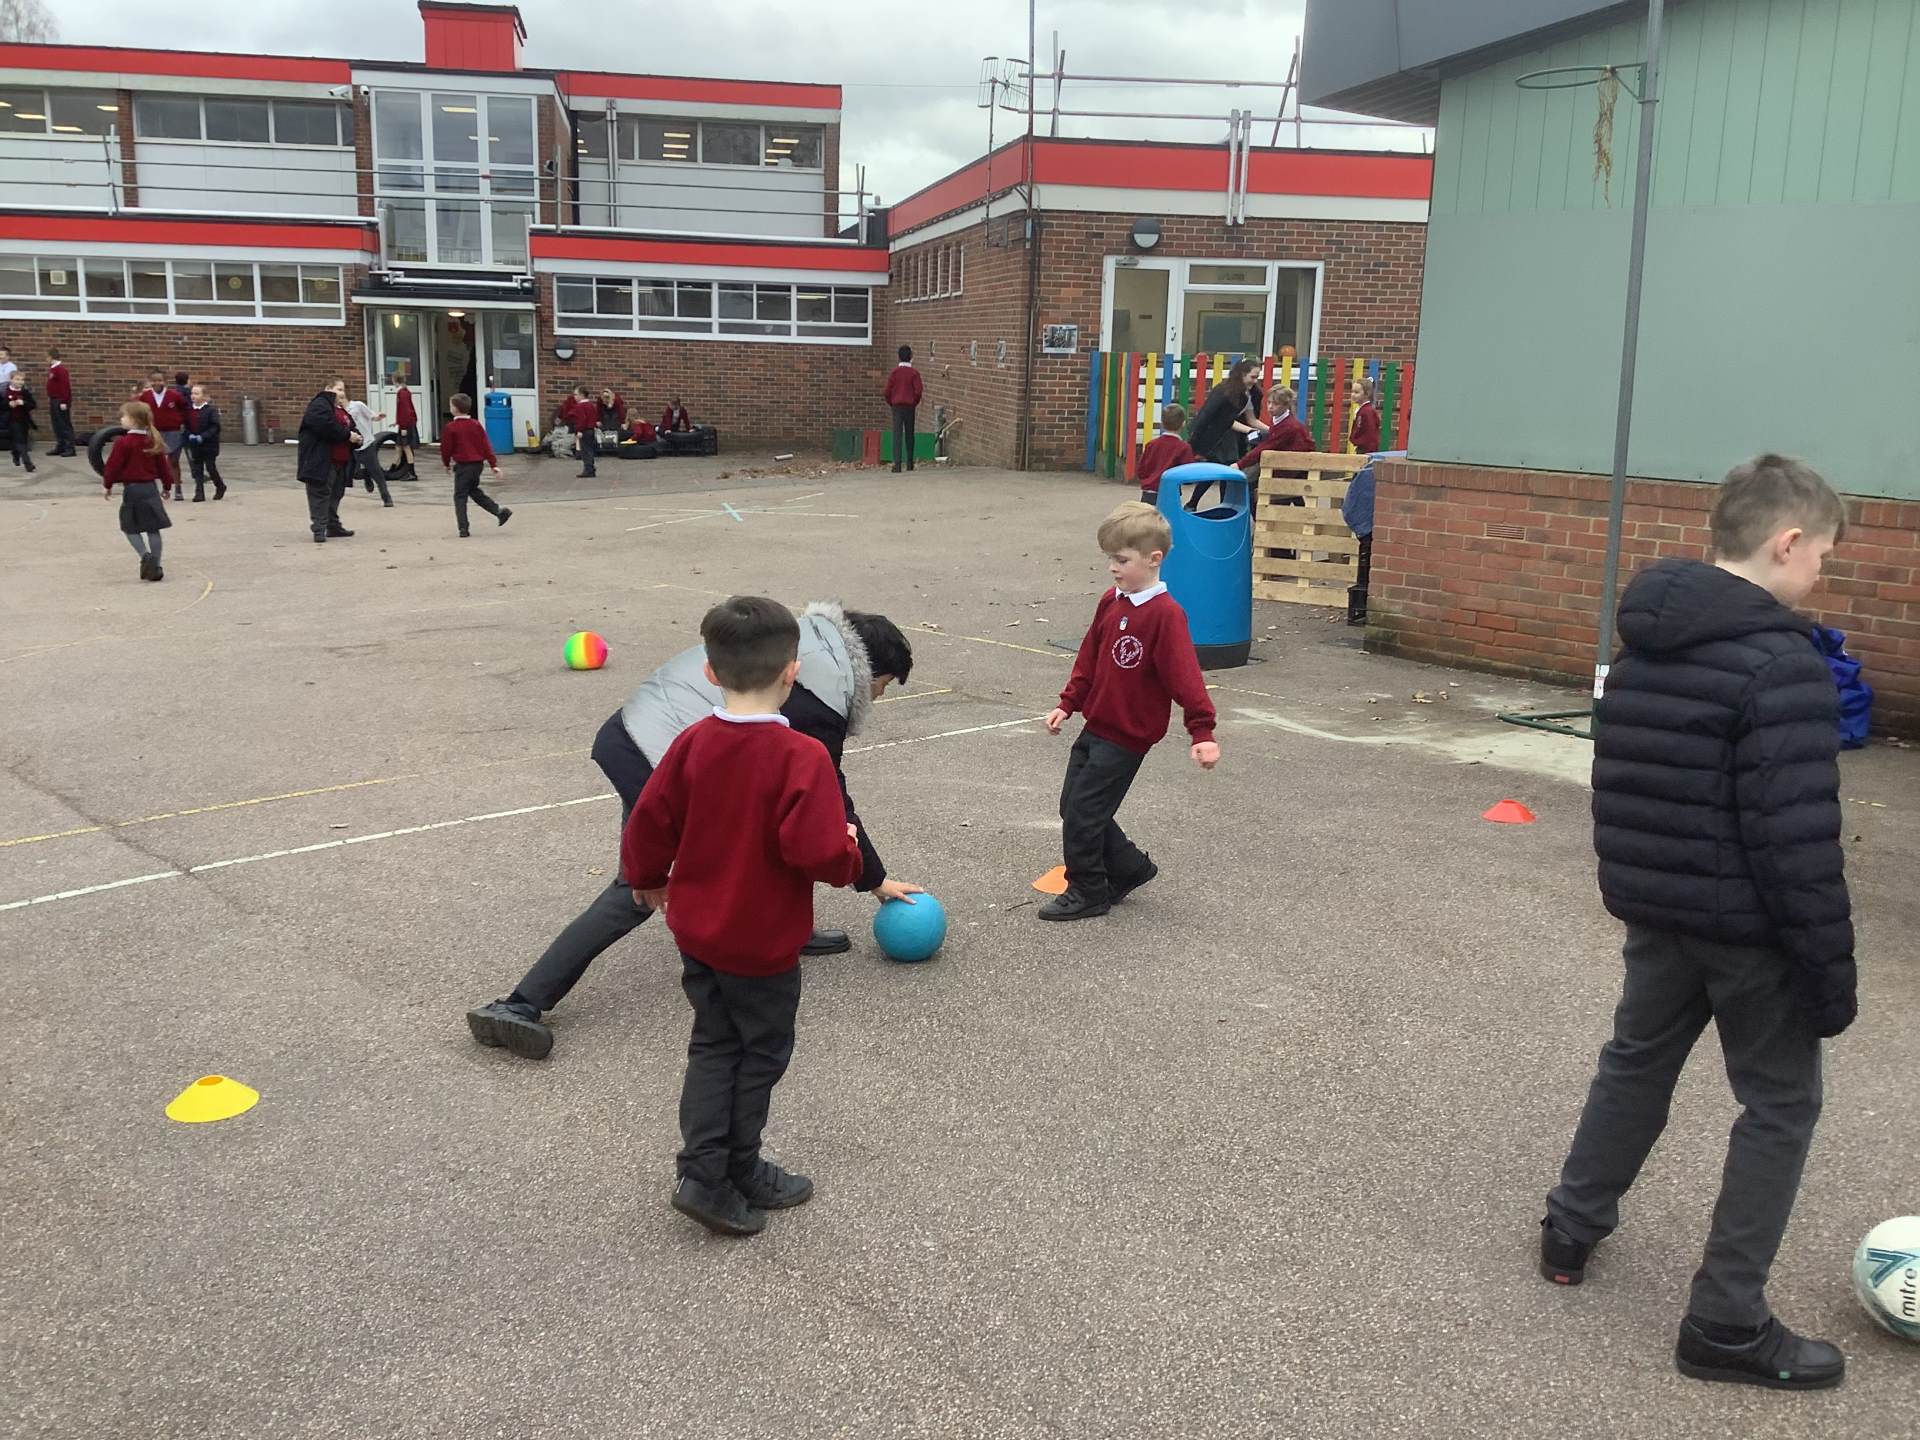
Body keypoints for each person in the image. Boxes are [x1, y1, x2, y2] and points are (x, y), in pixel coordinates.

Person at [1541, 455, 1856, 1392]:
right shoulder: (1784, 664)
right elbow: (1797, 841)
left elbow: (1624, 785)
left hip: (1661, 909)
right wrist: (1828, 973)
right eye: (1823, 557)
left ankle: (1571, 1228)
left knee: (1636, 1059)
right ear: (1786, 543)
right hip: (1751, 931)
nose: (1822, 576)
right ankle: (1725, 1321)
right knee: (1781, 1104)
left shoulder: (1644, 644)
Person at [466, 602, 920, 1061]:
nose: (879, 696)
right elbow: (828, 802)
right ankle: (520, 1004)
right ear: (868, 670)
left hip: (641, 732)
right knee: (635, 890)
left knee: (768, 833)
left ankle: (789, 935)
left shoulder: (806, 642)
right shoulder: (823, 694)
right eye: (883, 685)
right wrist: (875, 880)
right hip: (651, 750)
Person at [623, 595, 866, 1236]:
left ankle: (704, 1168)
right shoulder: (801, 756)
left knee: (713, 1044)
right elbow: (816, 852)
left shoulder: (692, 742)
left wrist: (647, 877)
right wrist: (846, 850)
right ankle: (727, 1170)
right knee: (758, 1055)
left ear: (709, 671)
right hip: (761, 943)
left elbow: (649, 819)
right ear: (793, 671)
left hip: (699, 933)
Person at [1041, 502, 1219, 921]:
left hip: (1128, 736)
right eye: (1110, 558)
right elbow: (1089, 656)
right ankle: (1129, 867)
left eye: (1122, 560)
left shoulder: (1166, 615)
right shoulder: (1112, 601)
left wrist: (1202, 732)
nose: (1112, 568)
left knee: (1084, 814)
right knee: (1073, 806)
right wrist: (1068, 703)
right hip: (1097, 725)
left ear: (1153, 559)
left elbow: (1185, 677)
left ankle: (1089, 890)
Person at [102, 400, 173, 582]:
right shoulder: (152, 441)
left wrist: (108, 484)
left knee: (129, 526)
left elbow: (113, 467)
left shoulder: (123, 443)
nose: (121, 419)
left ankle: (145, 556)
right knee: (153, 528)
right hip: (150, 488)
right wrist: (167, 486)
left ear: (133, 420)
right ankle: (156, 564)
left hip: (132, 489)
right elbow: (164, 467)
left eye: (124, 416)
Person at [440, 392, 512, 538]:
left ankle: (463, 528)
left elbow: (446, 448)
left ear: (455, 408)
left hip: (463, 466)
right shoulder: (476, 425)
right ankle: (499, 511)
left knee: (460, 496)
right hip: (477, 465)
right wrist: (493, 464)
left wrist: (446, 463)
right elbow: (485, 445)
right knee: (473, 491)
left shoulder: (451, 427)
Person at [296, 379, 359, 544]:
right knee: (320, 494)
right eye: (338, 389)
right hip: (322, 461)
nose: (342, 393)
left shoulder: (341, 410)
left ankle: (333, 526)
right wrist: (348, 435)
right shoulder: (320, 405)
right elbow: (325, 426)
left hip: (340, 460)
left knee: (336, 494)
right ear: (328, 389)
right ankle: (319, 529)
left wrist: (357, 437)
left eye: (343, 390)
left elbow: (351, 427)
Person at [139, 371, 189, 498]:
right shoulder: (145, 396)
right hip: (154, 432)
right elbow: (140, 411)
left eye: (160, 380)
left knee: (173, 461)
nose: (157, 383)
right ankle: (158, 489)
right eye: (154, 381)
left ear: (165, 382)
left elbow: (185, 409)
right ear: (150, 382)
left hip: (173, 431)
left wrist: (181, 422)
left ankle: (178, 488)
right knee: (155, 462)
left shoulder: (175, 395)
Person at [1136, 403, 1195, 505]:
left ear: (1162, 423)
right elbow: (1188, 476)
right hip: (1171, 492)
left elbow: (1141, 471)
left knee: (1147, 515)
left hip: (1149, 492)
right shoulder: (1184, 448)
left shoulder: (1151, 444)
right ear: (1183, 424)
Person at [882, 345, 923, 474]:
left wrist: (892, 402)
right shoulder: (914, 373)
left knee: (897, 434)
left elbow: (887, 391)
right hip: (910, 406)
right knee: (910, 434)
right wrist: (914, 402)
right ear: (911, 357)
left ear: (899, 357)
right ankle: (910, 463)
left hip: (897, 406)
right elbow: (918, 391)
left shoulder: (894, 373)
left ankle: (897, 464)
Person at [346, 393, 391, 507]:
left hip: (367, 443)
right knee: (355, 472)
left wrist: (378, 416)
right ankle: (366, 474)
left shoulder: (357, 405)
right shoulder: (337, 411)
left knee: (376, 471)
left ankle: (386, 497)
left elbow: (371, 416)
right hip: (353, 445)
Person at [184, 385, 226, 501]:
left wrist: (203, 436)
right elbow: (186, 426)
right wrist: (189, 434)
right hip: (195, 445)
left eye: (197, 394)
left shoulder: (210, 410)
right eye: (192, 393)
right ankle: (199, 492)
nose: (193, 396)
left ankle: (220, 486)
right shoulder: (189, 411)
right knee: (197, 469)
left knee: (210, 467)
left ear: (205, 396)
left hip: (209, 445)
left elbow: (215, 427)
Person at [45, 348, 75, 457]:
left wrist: (64, 401)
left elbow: (64, 386)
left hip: (60, 400)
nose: (46, 359)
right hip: (54, 399)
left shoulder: (60, 369)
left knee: (64, 424)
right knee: (56, 424)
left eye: (47, 357)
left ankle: (69, 447)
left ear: (51, 357)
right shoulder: (53, 369)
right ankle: (61, 445)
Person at [5, 373, 37, 474]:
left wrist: (24, 403)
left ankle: (15, 454)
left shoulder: (25, 392)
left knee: (22, 440)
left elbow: (33, 405)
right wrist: (8, 404)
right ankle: (28, 463)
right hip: (11, 420)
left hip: (23, 420)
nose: (20, 382)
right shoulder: (4, 391)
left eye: (22, 380)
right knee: (20, 441)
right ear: (11, 380)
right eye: (17, 379)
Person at [392, 368, 420, 480]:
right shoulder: (405, 391)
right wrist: (397, 422)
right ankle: (392, 471)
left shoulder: (402, 393)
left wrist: (403, 426)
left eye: (393, 380)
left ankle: (412, 473)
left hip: (406, 425)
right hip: (405, 423)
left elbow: (406, 411)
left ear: (395, 380)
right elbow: (403, 410)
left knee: (407, 448)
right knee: (398, 448)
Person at [568, 385, 600, 478]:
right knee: (589, 450)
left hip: (584, 430)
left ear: (582, 395)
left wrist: (579, 430)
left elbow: (581, 419)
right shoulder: (591, 405)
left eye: (576, 394)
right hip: (591, 430)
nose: (574, 397)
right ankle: (591, 468)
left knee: (585, 451)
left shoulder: (580, 406)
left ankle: (588, 470)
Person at [1349, 377, 1382, 454]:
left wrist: (1358, 441)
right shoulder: (1362, 410)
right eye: (1352, 392)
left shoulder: (1367, 412)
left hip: (1367, 450)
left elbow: (1371, 433)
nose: (1353, 395)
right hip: (1362, 448)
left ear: (1366, 394)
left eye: (1356, 392)